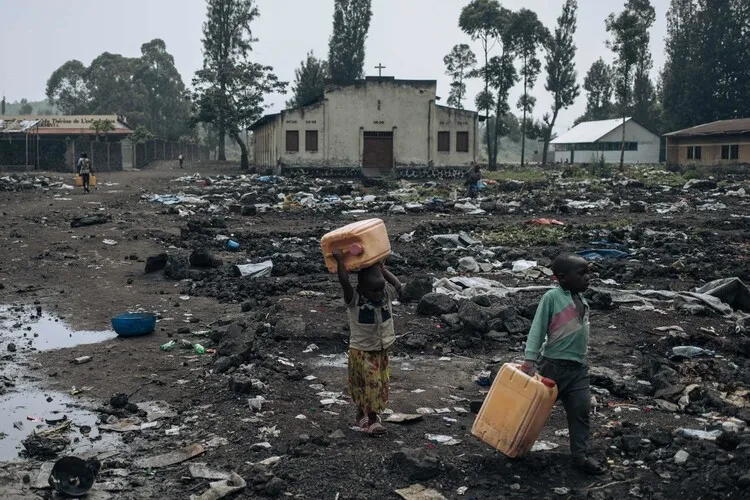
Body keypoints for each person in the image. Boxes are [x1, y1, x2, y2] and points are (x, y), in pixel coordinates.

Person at [519, 252, 606, 475]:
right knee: (531, 412)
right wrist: (530, 361)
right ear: (562, 277)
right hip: (553, 367)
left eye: (588, 272)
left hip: (578, 369)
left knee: (581, 410)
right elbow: (537, 329)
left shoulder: (583, 301)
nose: (588, 277)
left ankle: (580, 456)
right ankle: (512, 444)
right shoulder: (552, 298)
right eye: (582, 273)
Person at [332, 250, 402, 436]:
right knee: (371, 386)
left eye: (380, 288)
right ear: (361, 288)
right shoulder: (354, 299)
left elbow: (397, 285)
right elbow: (345, 282)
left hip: (381, 349)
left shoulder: (385, 294)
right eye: (373, 290)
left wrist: (382, 269)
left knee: (377, 385)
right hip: (362, 351)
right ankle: (372, 419)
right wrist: (340, 261)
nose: (378, 293)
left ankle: (361, 415)